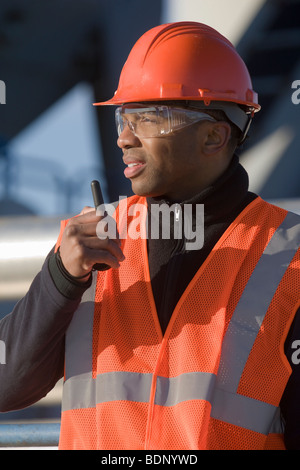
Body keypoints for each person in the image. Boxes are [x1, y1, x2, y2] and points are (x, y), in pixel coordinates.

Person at [0, 21, 300, 450]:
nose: (123, 138)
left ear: (214, 135)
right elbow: (7, 387)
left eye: (148, 119)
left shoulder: (290, 259)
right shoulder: (85, 248)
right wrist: (60, 278)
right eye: (125, 117)